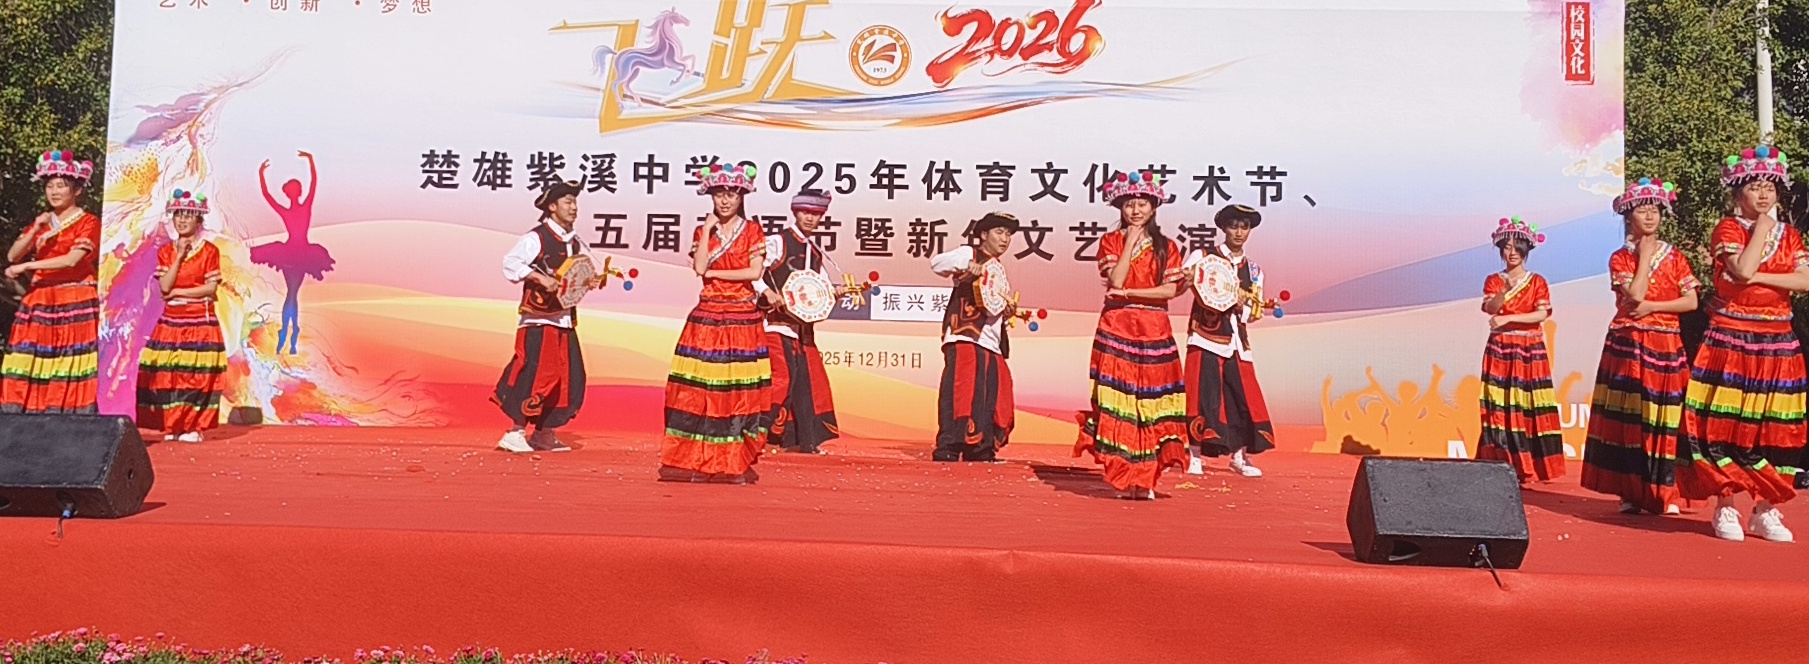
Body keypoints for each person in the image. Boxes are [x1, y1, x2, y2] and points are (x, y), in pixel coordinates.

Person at [1677, 146, 1806, 542]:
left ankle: (1766, 508)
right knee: (1725, 422)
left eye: (1770, 187)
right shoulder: (1728, 230)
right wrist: (1763, 229)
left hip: (1778, 340)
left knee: (1775, 426)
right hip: (1732, 337)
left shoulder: (1792, 235)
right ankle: (1726, 504)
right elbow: (1742, 268)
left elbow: (1803, 281)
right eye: (1754, 187)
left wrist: (1759, 278)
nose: (1764, 194)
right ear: (1738, 193)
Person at [1580, 179, 1697, 514]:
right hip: (1628, 345)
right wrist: (1644, 255)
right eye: (1642, 210)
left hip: (1665, 343)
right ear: (1628, 218)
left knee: (1666, 416)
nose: (1650, 216)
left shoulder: (1675, 257)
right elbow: (1635, 294)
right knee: (1629, 417)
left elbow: (1691, 301)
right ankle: (1629, 490)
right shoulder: (1620, 258)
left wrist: (1653, 308)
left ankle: (1666, 492)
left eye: (1655, 210)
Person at [1073, 171, 1189, 499]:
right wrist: (1130, 243)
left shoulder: (1168, 247)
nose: (1136, 211)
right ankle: (1123, 475)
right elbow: (1116, 279)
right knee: (1118, 401)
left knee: (1152, 404)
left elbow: (1168, 290)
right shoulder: (1111, 241)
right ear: (1120, 209)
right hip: (1117, 328)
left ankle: (1147, 477)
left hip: (1153, 330)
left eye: (1142, 204)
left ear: (1154, 207)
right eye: (1129, 205)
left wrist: (1128, 295)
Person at [659, 164, 771, 483]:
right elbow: (699, 268)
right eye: (719, 194)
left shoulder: (752, 231)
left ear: (741, 197)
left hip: (741, 318)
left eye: (731, 195)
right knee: (699, 389)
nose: (725, 200)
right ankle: (694, 460)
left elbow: (754, 272)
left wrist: (715, 273)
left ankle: (731, 461)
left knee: (737, 391)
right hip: (707, 317)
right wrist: (708, 230)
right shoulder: (703, 231)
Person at [494, 180, 593, 454]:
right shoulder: (537, 237)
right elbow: (510, 264)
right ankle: (515, 432)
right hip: (539, 320)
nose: (574, 208)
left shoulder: (574, 241)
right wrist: (539, 277)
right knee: (534, 374)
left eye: (575, 202)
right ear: (552, 207)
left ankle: (544, 433)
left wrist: (587, 281)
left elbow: (572, 276)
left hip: (563, 319)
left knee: (569, 377)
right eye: (567, 202)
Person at [1, 151, 101, 414]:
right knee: (32, 353)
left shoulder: (88, 222)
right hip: (41, 298)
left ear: (77, 190)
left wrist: (28, 266)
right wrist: (35, 228)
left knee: (69, 355)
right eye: (50, 186)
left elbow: (71, 260)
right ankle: (28, 411)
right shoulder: (43, 223)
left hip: (74, 297)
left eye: (61, 186)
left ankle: (67, 412)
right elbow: (12, 255)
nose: (54, 191)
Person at [1180, 204, 1275, 478]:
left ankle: (1239, 457)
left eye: (1245, 227)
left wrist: (1243, 306)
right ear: (1224, 228)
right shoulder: (1203, 256)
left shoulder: (1254, 271)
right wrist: (1186, 279)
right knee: (1203, 395)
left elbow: (1253, 313)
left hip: (1237, 343)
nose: (1239, 232)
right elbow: (1182, 284)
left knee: (1242, 397)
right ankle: (1195, 456)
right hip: (1206, 336)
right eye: (1234, 226)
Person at [1475, 216, 1566, 484]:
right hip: (1500, 349)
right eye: (1507, 247)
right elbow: (1490, 308)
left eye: (1517, 247)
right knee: (1499, 404)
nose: (1512, 252)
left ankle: (1530, 465)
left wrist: (1508, 319)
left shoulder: (1537, 281)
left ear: (1527, 250)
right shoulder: (1494, 280)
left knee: (1528, 403)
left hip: (1528, 348)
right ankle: (1501, 461)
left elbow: (1541, 314)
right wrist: (1503, 292)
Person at [753, 188, 841, 454]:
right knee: (782, 379)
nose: (810, 218)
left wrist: (836, 293)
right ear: (795, 212)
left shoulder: (815, 252)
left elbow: (823, 289)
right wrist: (766, 292)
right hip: (774, 325)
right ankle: (756, 436)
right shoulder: (777, 242)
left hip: (800, 331)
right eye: (805, 212)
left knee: (806, 384)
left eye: (816, 214)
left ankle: (802, 442)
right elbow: (751, 270)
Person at [137, 189, 228, 442]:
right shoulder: (166, 251)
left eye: (189, 215)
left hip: (199, 320)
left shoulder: (209, 251)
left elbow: (210, 288)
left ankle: (193, 427)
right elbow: (164, 287)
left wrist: (180, 291)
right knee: (167, 373)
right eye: (179, 215)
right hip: (171, 321)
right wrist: (179, 256)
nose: (183, 220)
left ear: (199, 220)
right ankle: (173, 425)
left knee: (195, 375)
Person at [928, 213, 1019, 462]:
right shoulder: (970, 253)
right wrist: (966, 265)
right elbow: (937, 263)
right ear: (983, 235)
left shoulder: (997, 269)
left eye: (1008, 234)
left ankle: (980, 449)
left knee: (992, 396)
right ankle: (948, 446)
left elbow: (992, 305)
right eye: (999, 232)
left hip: (990, 342)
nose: (1005, 239)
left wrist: (1007, 311)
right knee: (962, 393)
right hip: (965, 335)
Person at [250, 151, 334, 355]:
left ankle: (289, 331)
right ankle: (292, 331)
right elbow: (313, 183)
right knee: (292, 293)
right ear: (297, 192)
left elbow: (268, 196)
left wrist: (262, 174)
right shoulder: (304, 208)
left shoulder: (289, 211)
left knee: (291, 293)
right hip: (300, 253)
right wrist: (310, 161)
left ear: (288, 194)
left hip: (293, 253)